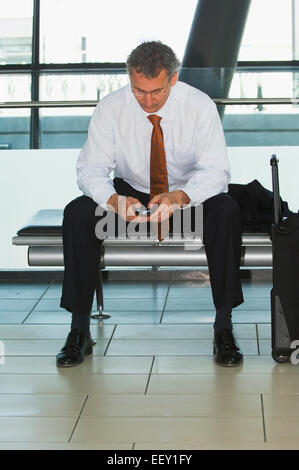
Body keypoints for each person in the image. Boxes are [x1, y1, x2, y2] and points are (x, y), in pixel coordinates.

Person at [56, 41, 244, 368]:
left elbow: (216, 171)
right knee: (77, 213)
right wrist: (113, 200)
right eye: (138, 91)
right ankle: (79, 330)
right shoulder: (111, 107)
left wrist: (179, 197)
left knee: (226, 210)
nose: (147, 100)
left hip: (186, 195)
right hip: (133, 193)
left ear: (173, 79)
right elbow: (89, 169)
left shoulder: (199, 106)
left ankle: (224, 327)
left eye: (155, 91)